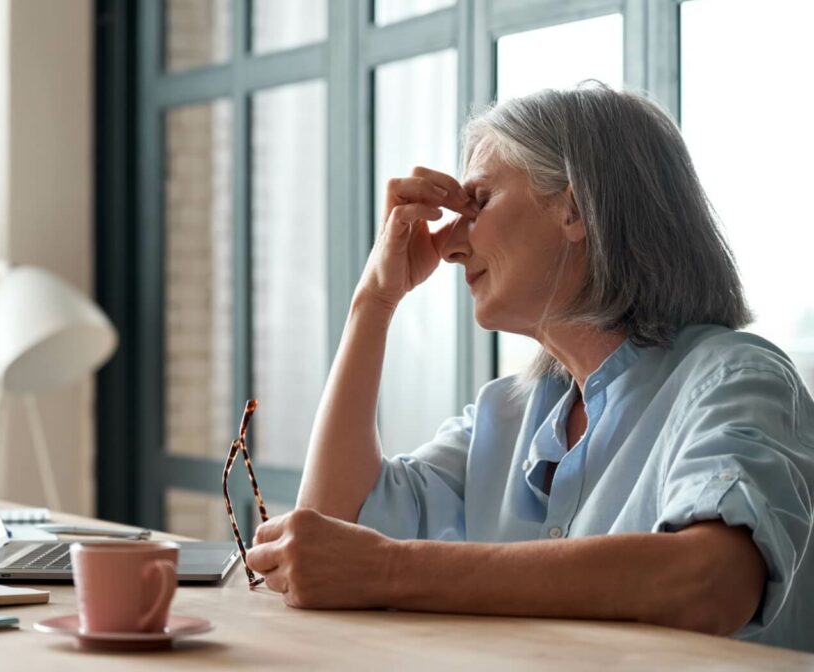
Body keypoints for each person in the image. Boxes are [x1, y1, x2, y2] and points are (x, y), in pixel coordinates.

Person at [246, 82, 814, 652]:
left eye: (480, 202)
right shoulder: (508, 413)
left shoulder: (736, 380)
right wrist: (374, 300)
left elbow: (713, 582)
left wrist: (391, 570)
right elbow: (330, 540)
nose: (450, 247)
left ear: (575, 208)